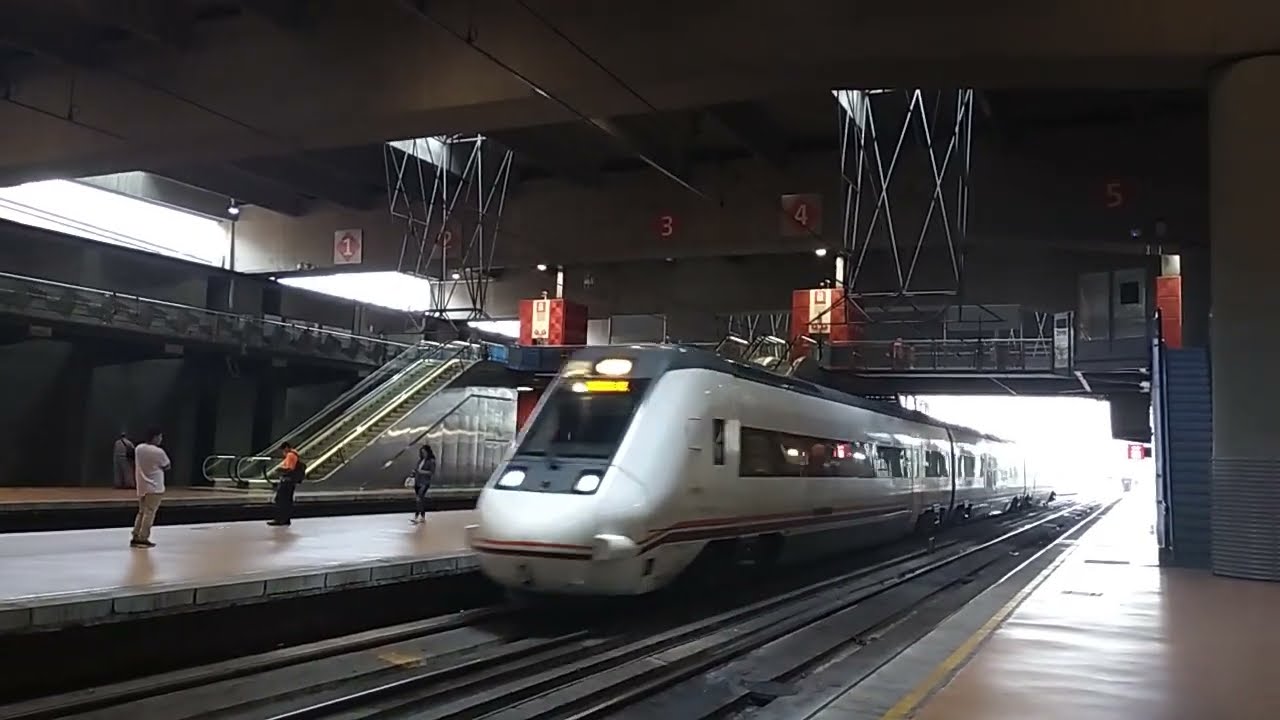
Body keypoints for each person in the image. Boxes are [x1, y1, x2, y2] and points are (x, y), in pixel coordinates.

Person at [131, 428, 169, 548]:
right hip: (155, 487)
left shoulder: (139, 448)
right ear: (155, 437)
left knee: (141, 512)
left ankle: (135, 536)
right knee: (150, 513)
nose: (161, 439)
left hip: (142, 486)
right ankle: (143, 538)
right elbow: (167, 465)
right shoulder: (159, 452)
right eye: (160, 437)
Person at [269, 442, 303, 527]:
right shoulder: (295, 454)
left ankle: (280, 519)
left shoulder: (290, 455)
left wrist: (280, 469)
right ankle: (286, 519)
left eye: (283, 449)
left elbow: (289, 468)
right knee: (287, 501)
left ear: (287, 447)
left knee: (280, 500)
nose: (283, 452)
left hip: (287, 481)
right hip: (291, 481)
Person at [411, 443, 436, 524]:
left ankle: (416, 516)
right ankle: (422, 516)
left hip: (425, 482)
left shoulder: (431, 461)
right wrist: (415, 472)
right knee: (419, 500)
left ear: (428, 452)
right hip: (418, 481)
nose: (423, 454)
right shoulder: (420, 461)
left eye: (424, 452)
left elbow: (431, 472)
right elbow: (417, 469)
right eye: (422, 452)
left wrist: (421, 472)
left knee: (419, 498)